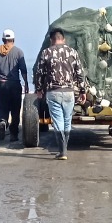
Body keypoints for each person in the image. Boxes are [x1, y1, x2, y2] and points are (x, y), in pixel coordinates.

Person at [33, 28, 88, 160]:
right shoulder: (72, 52)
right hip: (69, 92)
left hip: (53, 92)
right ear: (63, 39)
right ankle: (64, 149)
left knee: (58, 122)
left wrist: (39, 89)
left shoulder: (46, 52)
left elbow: (39, 73)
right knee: (67, 120)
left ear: (52, 40)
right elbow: (80, 73)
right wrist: (82, 90)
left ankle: (62, 151)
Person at [0, 29, 28, 142]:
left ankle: (2, 122)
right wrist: (26, 84)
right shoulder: (19, 52)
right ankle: (13, 134)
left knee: (2, 106)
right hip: (15, 85)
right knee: (15, 110)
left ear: (3, 39)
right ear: (13, 40)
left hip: (2, 85)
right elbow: (23, 70)